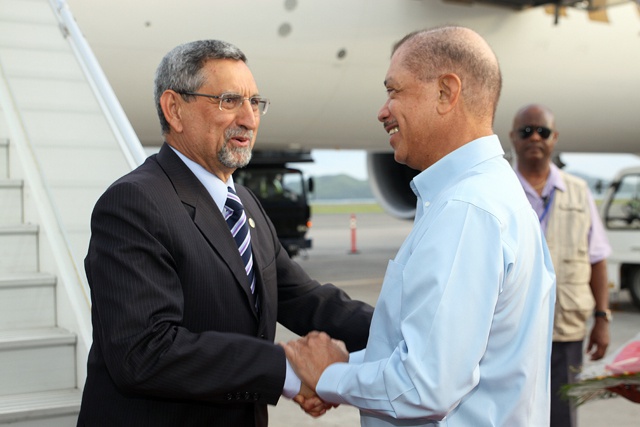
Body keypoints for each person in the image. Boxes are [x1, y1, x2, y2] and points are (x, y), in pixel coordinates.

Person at [76, 39, 373, 427]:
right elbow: (144, 352)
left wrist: (402, 329)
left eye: (255, 103)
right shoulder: (134, 203)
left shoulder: (244, 203)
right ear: (174, 109)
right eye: (229, 101)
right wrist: (287, 367)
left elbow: (304, 298)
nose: (249, 119)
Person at [283, 26, 556, 426]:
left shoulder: (466, 210)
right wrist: (333, 369)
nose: (383, 109)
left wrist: (328, 376)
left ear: (447, 93)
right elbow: (433, 355)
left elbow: (424, 386)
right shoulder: (488, 194)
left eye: (394, 91)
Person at [509, 103, 611, 427]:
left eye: (543, 131)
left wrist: (602, 318)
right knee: (510, 414)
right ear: (512, 138)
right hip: (511, 330)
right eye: (527, 131)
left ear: (555, 138)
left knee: (562, 415)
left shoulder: (579, 192)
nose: (535, 137)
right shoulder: (500, 191)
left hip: (565, 329)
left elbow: (597, 259)